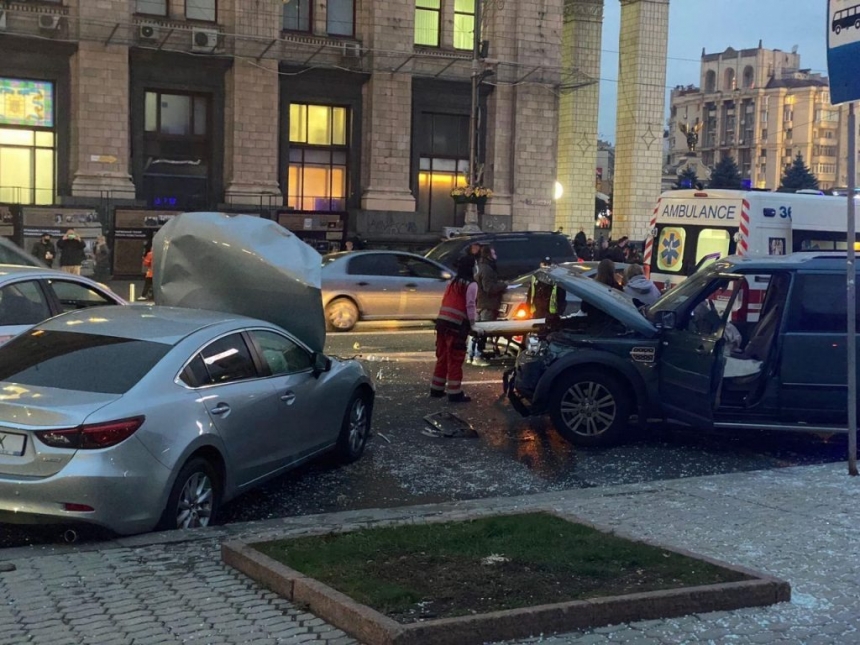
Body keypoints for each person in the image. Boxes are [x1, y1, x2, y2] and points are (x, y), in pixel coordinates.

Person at [430, 255, 478, 403]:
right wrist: (472, 323)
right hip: (456, 325)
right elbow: (470, 305)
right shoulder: (471, 285)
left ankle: (436, 389)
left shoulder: (453, 282)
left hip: (442, 323)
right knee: (455, 358)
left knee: (443, 356)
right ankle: (454, 392)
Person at [472, 245, 507, 367]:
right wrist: (503, 285)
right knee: (483, 332)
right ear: (488, 255)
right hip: (487, 303)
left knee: (476, 330)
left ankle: (471, 354)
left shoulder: (478, 267)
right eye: (493, 253)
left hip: (478, 303)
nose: (495, 256)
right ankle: (478, 355)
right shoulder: (487, 269)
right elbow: (489, 288)